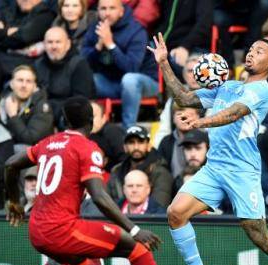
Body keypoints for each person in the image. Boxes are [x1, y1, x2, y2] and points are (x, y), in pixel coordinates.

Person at [4, 96, 200, 265]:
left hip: (36, 230)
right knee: (136, 248)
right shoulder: (87, 148)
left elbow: (11, 164)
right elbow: (99, 196)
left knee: (76, 263)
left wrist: (13, 200)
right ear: (91, 121)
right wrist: (134, 230)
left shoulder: (48, 143)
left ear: (64, 120)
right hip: (62, 229)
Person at [148, 33, 268, 265]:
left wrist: (201, 121)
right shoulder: (228, 86)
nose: (250, 53)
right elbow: (183, 97)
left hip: (243, 172)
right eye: (249, 48)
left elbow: (233, 114)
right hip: (214, 168)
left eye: (259, 51)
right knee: (175, 212)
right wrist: (164, 63)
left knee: (257, 234)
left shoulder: (263, 92)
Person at [81, 0, 158, 129]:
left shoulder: (136, 30)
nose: (107, 13)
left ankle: (128, 128)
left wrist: (110, 44)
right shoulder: (95, 29)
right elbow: (83, 64)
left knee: (129, 80)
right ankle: (89, 126)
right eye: (103, 9)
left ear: (121, 11)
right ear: (97, 11)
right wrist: (98, 47)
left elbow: (132, 67)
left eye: (112, 8)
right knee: (85, 79)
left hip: (144, 83)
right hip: (111, 84)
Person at [34, 26, 95, 130]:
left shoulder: (79, 64)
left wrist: (52, 110)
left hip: (68, 116)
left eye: (58, 42)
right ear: (44, 45)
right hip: (42, 114)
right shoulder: (38, 64)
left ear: (68, 44)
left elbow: (81, 100)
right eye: (50, 42)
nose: (54, 46)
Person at [107, 125, 173, 207]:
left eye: (140, 142)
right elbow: (108, 203)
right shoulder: (116, 171)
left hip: (148, 219)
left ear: (148, 145)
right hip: (118, 217)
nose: (136, 147)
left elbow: (159, 206)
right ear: (125, 147)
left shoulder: (160, 172)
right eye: (131, 142)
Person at [0, 65, 54, 151]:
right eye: (20, 80)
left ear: (34, 86)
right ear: (11, 84)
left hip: (35, 156)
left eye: (28, 81)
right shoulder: (2, 102)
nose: (24, 85)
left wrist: (13, 116)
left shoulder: (42, 107)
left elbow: (31, 139)